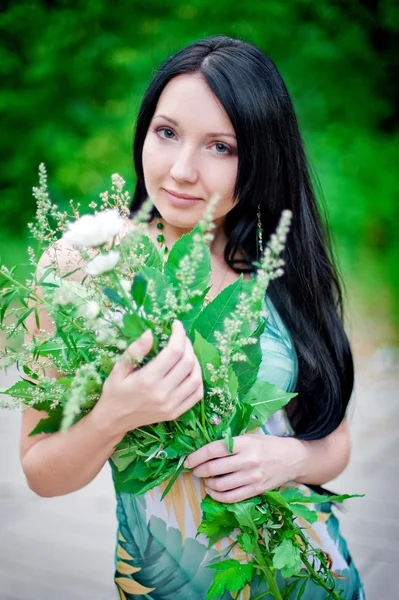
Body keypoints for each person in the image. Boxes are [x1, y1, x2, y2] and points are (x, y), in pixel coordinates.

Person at [21, 35, 365, 599]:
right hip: (169, 582)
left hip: (314, 577)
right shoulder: (85, 266)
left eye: (220, 147)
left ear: (260, 154)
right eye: (167, 133)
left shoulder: (276, 263)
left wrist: (288, 457)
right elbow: (40, 471)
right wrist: (114, 415)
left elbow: (337, 442)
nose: (181, 171)